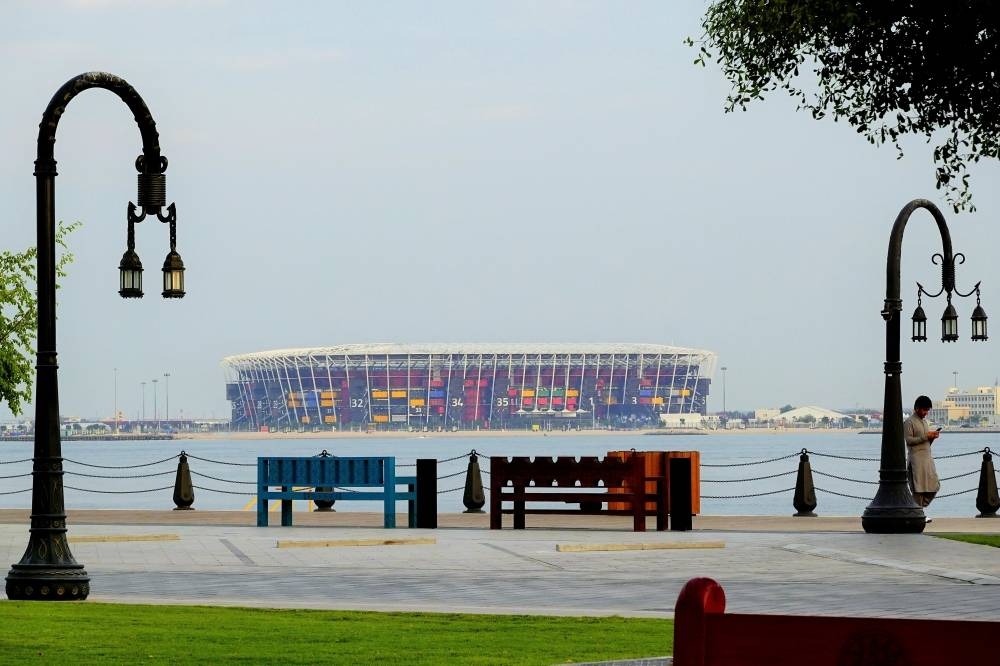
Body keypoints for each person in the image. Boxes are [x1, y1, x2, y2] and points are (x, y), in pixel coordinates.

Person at [903, 395, 941, 508]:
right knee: (918, 490)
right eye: (924, 410)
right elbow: (909, 441)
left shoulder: (924, 422)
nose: (926, 413)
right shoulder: (909, 422)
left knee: (935, 486)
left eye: (927, 410)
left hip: (927, 460)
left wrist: (931, 437)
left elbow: (925, 442)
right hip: (916, 462)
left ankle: (917, 509)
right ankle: (917, 511)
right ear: (917, 408)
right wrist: (926, 436)